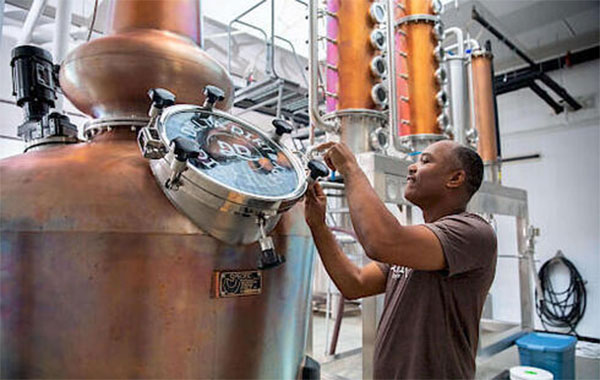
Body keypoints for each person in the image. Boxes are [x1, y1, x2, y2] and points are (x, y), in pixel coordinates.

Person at [304, 140, 497, 379]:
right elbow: (355, 283)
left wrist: (351, 170)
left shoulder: (474, 232)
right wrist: (319, 226)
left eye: (425, 161)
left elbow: (381, 242)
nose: (412, 168)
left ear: (455, 179)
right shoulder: (414, 245)